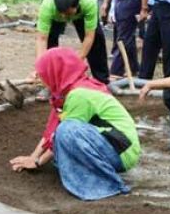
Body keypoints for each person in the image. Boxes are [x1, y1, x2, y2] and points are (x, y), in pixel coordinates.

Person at [10, 48, 140, 201]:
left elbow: (63, 131)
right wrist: (33, 157)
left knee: (67, 130)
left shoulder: (79, 94)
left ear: (55, 71)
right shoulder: (69, 91)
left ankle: (107, 185)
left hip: (121, 151)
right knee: (63, 137)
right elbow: (52, 131)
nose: (38, 76)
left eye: (42, 71)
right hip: (114, 144)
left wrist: (38, 162)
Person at [35, 0, 109, 83]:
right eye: (61, 13)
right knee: (50, 41)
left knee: (97, 40)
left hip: (81, 6)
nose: (64, 18)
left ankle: (101, 80)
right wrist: (39, 67)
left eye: (67, 13)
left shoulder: (89, 4)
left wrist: (77, 62)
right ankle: (50, 82)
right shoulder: (48, 7)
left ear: (76, 6)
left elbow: (89, 36)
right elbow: (41, 39)